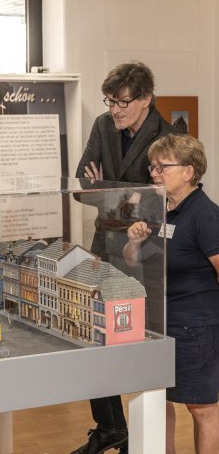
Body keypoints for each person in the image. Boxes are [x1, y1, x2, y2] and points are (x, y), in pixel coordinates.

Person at [72, 61, 178, 454]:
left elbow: (157, 206)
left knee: (141, 342)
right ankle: (111, 426)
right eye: (110, 101)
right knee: (94, 334)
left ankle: (145, 435)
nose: (114, 109)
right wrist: (123, 195)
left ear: (146, 99)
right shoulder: (102, 125)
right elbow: (82, 189)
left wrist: (108, 192)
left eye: (123, 102)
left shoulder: (168, 137)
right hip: (104, 246)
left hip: (147, 254)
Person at [123, 134, 219, 454]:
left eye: (162, 166)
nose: (154, 173)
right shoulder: (159, 209)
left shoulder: (205, 215)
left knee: (201, 407)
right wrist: (134, 242)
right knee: (159, 399)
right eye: (152, 166)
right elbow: (133, 261)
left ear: (188, 172)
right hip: (160, 322)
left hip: (196, 327)